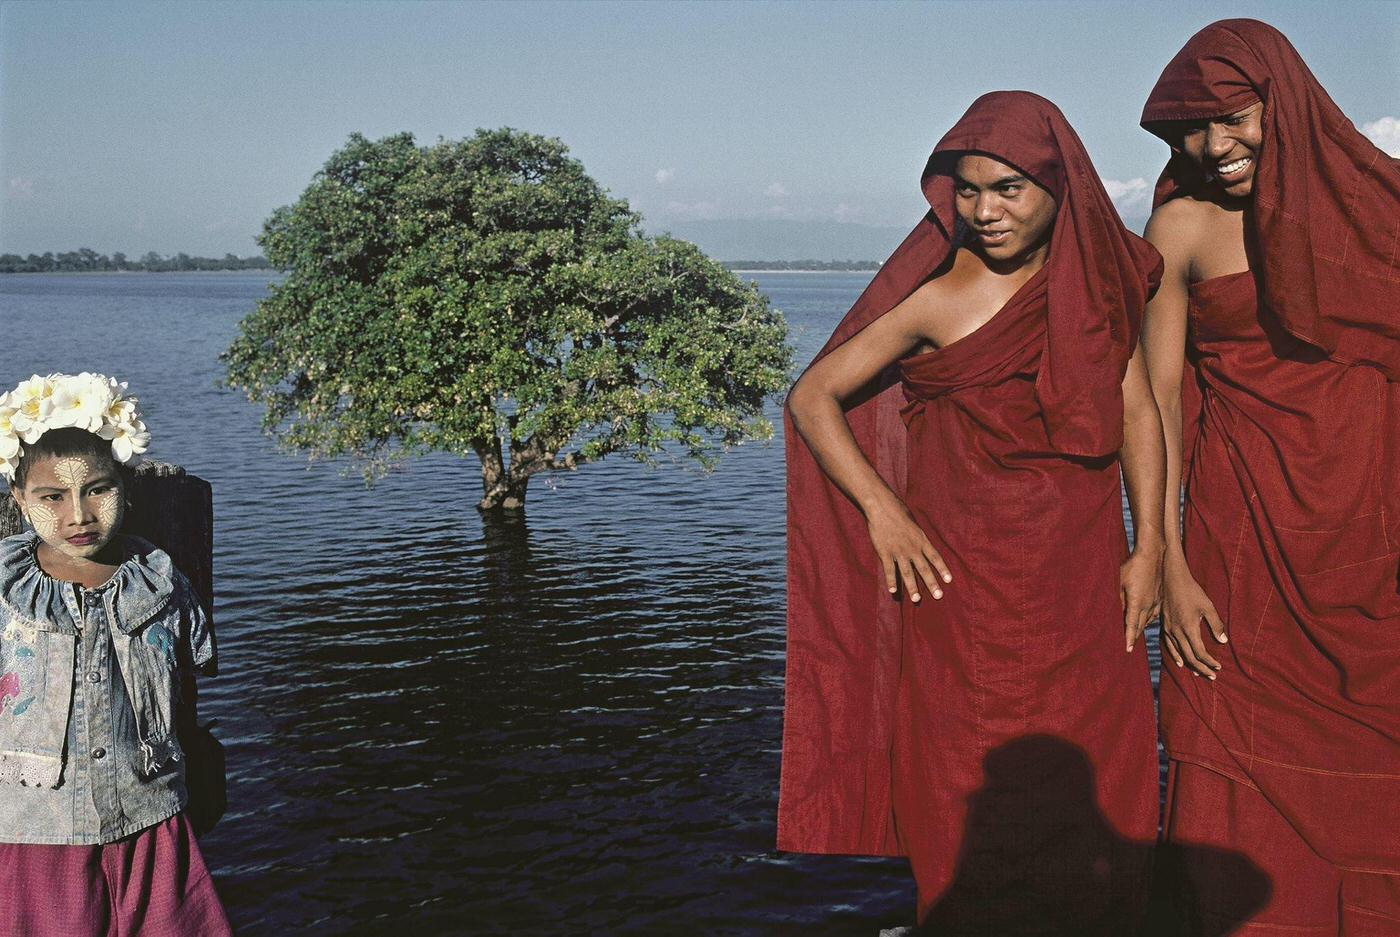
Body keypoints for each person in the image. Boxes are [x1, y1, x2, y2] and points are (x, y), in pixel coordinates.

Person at [778, 91, 1165, 933]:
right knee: (961, 768)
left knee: (1100, 765)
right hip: (964, 587)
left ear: (1061, 189)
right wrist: (884, 510)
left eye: (1008, 189)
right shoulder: (938, 298)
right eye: (968, 189)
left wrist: (1153, 545)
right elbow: (813, 395)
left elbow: (1137, 410)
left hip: (1082, 577)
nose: (984, 210)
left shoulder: (1100, 284)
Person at [1139, 19, 1400, 933]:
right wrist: (1163, 557)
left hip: (1374, 551)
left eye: (1232, 117)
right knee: (1230, 769)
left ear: (1280, 100)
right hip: (1240, 543)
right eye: (1190, 131)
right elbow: (1156, 401)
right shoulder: (1180, 226)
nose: (1213, 147)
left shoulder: (1379, 210)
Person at [0, 372, 233, 936]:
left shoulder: (160, 583)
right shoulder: (5, 591)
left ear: (125, 486)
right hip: (35, 830)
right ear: (19, 499)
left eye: (97, 490)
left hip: (149, 815)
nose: (77, 515)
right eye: (51, 497)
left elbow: (184, 688)